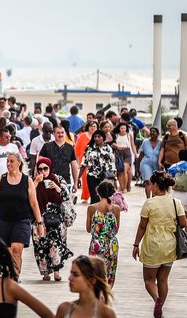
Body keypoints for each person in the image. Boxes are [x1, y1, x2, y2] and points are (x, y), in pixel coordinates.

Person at [132, 170, 187, 318]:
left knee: (149, 280)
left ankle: (157, 300)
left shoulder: (149, 204)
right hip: (170, 247)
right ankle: (160, 306)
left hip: (152, 247)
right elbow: (183, 223)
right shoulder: (176, 203)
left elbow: (142, 226)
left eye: (151, 185)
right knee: (163, 280)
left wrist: (136, 245)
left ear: (156, 186)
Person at [0, 152, 44, 277]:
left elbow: (34, 203)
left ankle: (15, 277)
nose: (9, 164)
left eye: (12, 161)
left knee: (16, 249)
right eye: (7, 161)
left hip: (22, 220)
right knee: (7, 252)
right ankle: (8, 276)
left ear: (19, 163)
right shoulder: (1, 180)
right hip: (4, 221)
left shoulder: (27, 180)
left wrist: (40, 223)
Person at [32, 157, 73, 282]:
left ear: (50, 168)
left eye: (45, 168)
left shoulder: (59, 179)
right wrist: (36, 183)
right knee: (40, 244)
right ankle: (45, 272)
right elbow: (27, 196)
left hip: (56, 217)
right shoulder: (33, 181)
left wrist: (57, 187)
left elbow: (67, 197)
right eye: (40, 169)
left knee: (56, 243)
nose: (43, 171)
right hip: (39, 217)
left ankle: (56, 271)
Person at [86, 180, 120, 287]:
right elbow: (116, 229)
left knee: (95, 272)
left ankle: (97, 296)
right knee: (109, 273)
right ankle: (106, 295)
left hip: (97, 243)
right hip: (111, 244)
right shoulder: (116, 209)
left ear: (98, 193)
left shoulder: (92, 208)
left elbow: (88, 229)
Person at [38, 125, 79, 193]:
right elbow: (39, 164)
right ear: (53, 134)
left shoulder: (70, 147)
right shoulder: (46, 146)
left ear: (65, 133)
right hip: (49, 181)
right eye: (58, 133)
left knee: (65, 202)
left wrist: (75, 183)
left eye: (62, 132)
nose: (61, 134)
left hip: (66, 182)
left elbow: (74, 166)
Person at [81, 130, 117, 203]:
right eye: (95, 137)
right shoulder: (89, 148)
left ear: (103, 138)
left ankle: (103, 214)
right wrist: (78, 178)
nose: (96, 138)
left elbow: (112, 164)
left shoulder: (108, 148)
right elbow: (84, 163)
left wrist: (114, 179)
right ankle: (94, 214)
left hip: (105, 176)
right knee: (94, 198)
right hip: (92, 176)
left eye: (99, 137)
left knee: (105, 198)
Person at [75, 121, 98, 203]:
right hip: (84, 162)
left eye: (95, 126)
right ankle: (85, 197)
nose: (93, 128)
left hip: (96, 162)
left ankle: (95, 197)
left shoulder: (98, 136)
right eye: (91, 126)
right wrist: (77, 163)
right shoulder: (82, 136)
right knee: (85, 180)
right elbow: (76, 149)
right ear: (88, 127)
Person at [111, 122, 137, 193]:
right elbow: (112, 143)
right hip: (118, 153)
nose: (123, 129)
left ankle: (125, 187)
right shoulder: (116, 135)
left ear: (126, 129)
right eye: (121, 128)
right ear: (119, 128)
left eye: (124, 128)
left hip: (127, 153)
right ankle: (122, 186)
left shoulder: (129, 135)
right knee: (120, 171)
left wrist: (135, 154)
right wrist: (115, 145)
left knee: (124, 169)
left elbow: (132, 145)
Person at [138, 127, 162, 198]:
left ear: (158, 133)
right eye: (151, 131)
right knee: (148, 181)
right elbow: (141, 155)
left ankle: (154, 197)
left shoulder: (161, 143)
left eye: (154, 131)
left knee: (155, 183)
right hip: (146, 164)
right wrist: (137, 166)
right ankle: (148, 199)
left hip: (156, 166)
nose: (152, 133)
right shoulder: (145, 142)